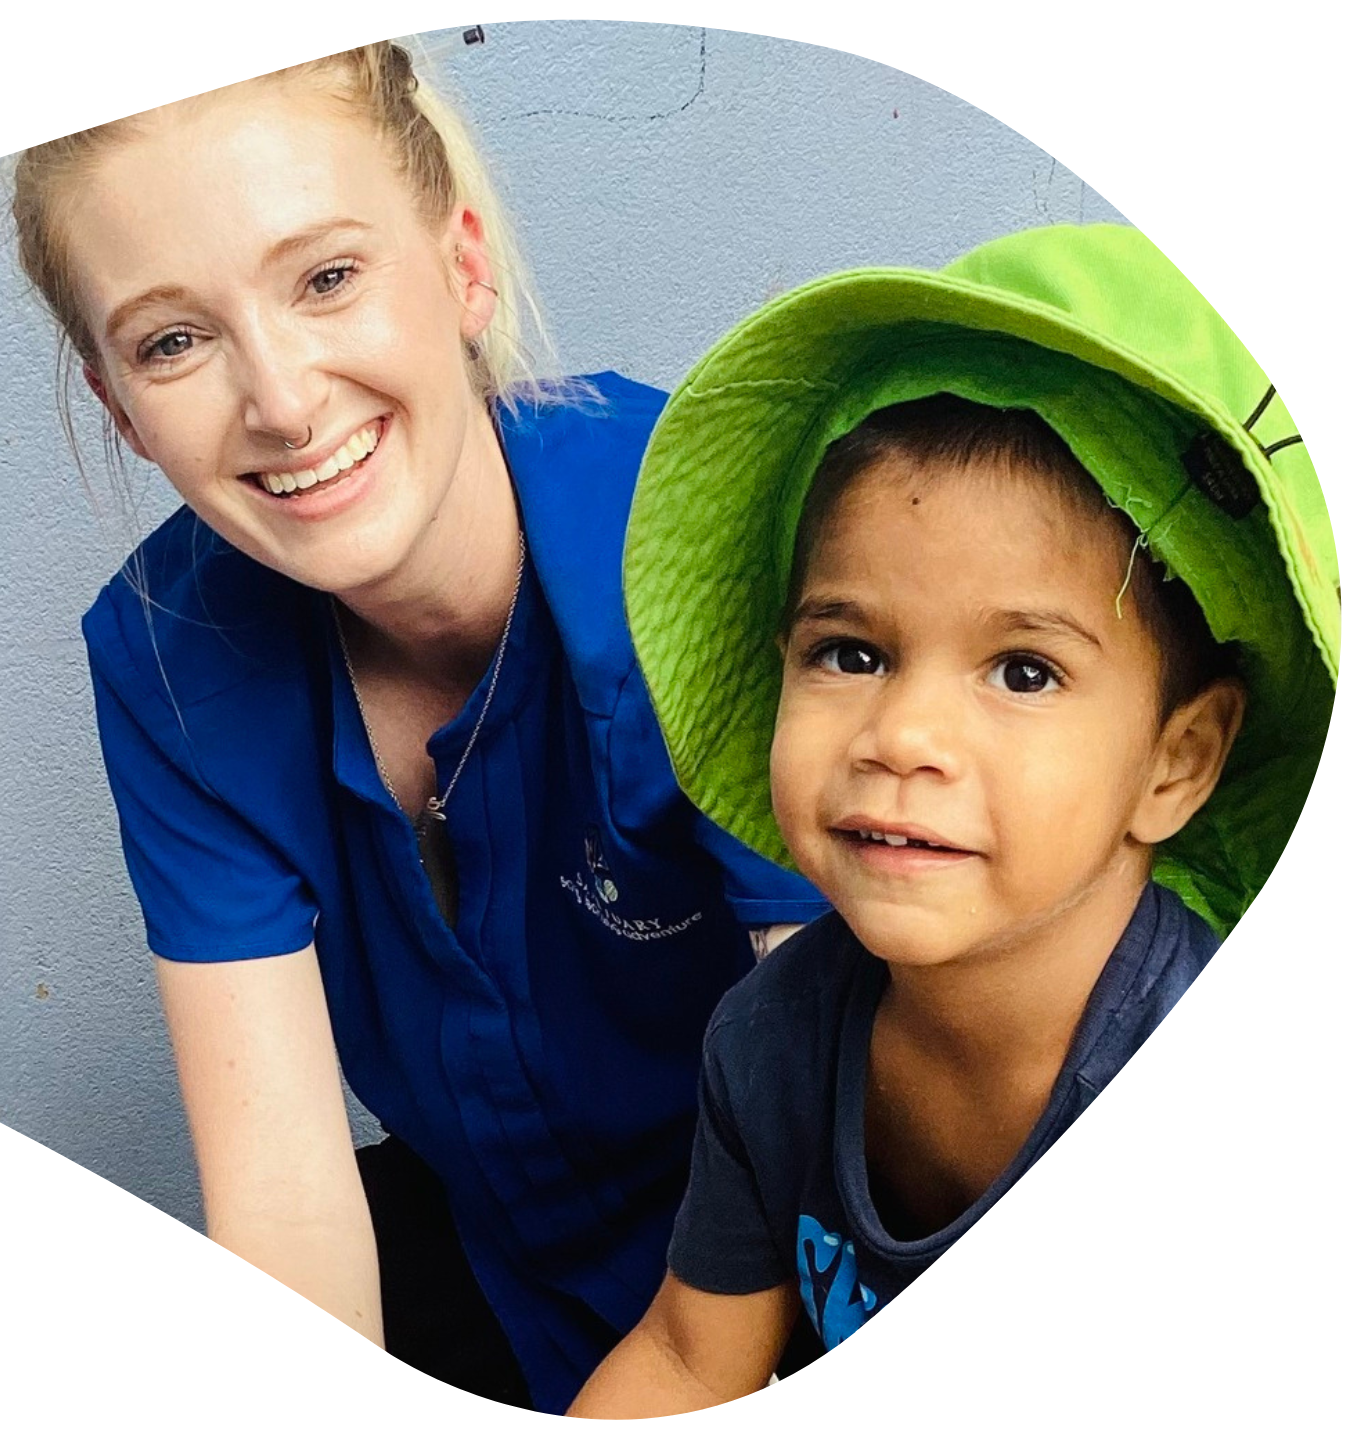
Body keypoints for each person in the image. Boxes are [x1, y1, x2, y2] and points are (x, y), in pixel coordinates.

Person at [7, 42, 827, 1413]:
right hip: (513, 1280)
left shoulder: (692, 535)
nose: (277, 399)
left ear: (459, 266)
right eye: (173, 341)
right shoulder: (165, 657)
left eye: (327, 278)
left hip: (797, 1271)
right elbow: (284, 1208)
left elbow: (862, 1107)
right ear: (119, 406)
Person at [569, 223, 1337, 1416]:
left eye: (1023, 671)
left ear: (1176, 763)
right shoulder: (771, 1039)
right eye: (852, 651)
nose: (900, 736)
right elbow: (686, 1358)